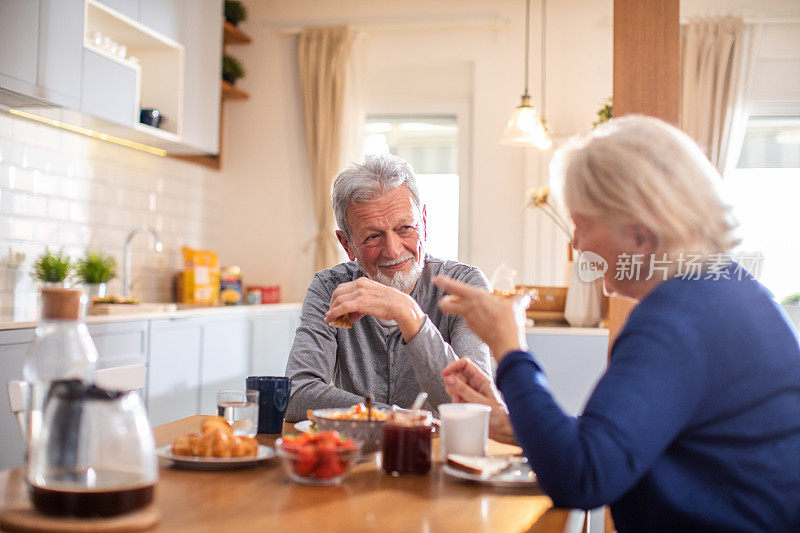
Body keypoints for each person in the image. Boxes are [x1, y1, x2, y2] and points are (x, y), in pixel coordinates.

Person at [435, 116, 800, 531]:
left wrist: (511, 348)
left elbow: (582, 477)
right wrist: (517, 424)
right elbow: (620, 443)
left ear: (641, 239)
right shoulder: (720, 293)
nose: (576, 244)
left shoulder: (676, 319)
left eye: (583, 225)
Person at [284, 153, 491, 422]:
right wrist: (396, 418)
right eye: (372, 236)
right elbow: (297, 394)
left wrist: (407, 313)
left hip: (440, 455)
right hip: (359, 457)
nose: (393, 250)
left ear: (424, 223)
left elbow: (473, 405)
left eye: (405, 228)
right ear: (347, 245)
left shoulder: (465, 286)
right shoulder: (329, 287)